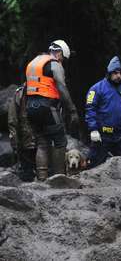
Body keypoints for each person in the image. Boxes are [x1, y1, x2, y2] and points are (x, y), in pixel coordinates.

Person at [25, 40, 79, 181]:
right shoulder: (54, 63)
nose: (62, 62)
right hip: (47, 107)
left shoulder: (34, 62)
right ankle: (59, 178)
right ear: (59, 53)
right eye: (63, 59)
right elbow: (61, 87)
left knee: (42, 143)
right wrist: (72, 110)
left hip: (30, 107)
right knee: (60, 141)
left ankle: (42, 178)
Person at [85, 56, 121, 168]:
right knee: (95, 165)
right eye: (115, 73)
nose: (118, 75)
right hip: (102, 135)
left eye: (120, 73)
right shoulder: (97, 88)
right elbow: (90, 108)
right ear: (109, 73)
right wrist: (93, 129)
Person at [8, 83, 36, 181]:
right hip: (38, 142)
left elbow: (12, 120)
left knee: (27, 173)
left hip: (27, 141)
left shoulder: (20, 93)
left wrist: (15, 144)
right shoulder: (46, 90)